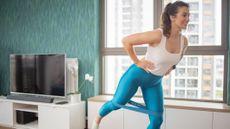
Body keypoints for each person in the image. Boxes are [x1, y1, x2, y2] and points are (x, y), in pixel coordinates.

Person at [92, 1, 189, 129]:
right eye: (184, 15)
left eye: (188, 15)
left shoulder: (184, 41)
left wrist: (171, 68)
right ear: (172, 17)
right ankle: (96, 120)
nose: (188, 19)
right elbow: (126, 41)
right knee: (116, 103)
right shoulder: (158, 35)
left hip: (154, 82)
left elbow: (178, 57)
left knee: (157, 120)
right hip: (137, 75)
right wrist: (137, 61)